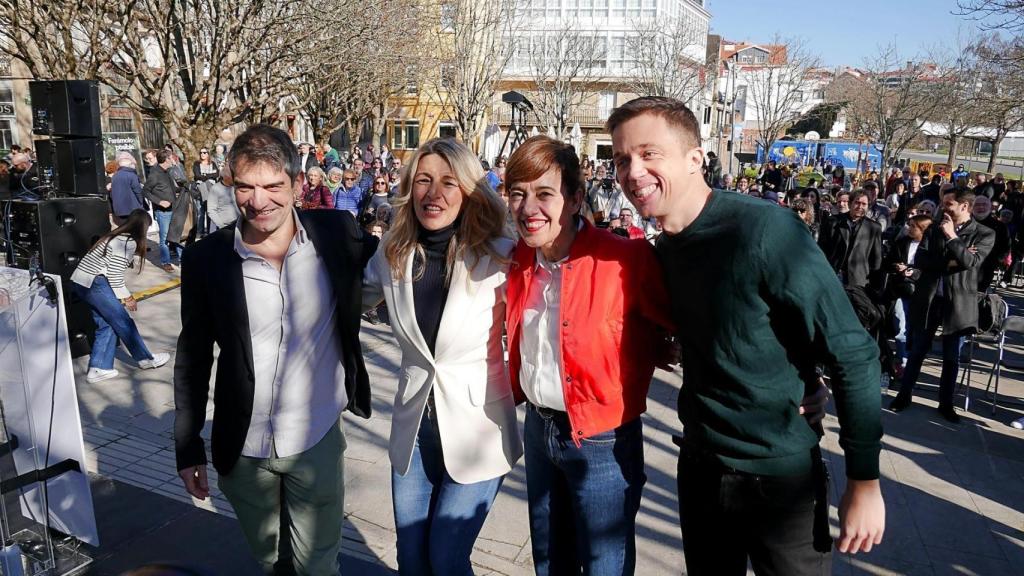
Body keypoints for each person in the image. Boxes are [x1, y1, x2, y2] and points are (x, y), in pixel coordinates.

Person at [608, 96, 885, 575]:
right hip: (700, 469)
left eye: (650, 154)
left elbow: (853, 353)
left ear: (696, 158)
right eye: (621, 159)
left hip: (780, 482)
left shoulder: (764, 230)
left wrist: (864, 481)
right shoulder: (662, 252)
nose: (633, 171)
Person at [174, 124, 376, 574]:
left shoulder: (336, 233)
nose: (258, 201)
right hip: (243, 447)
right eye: (246, 186)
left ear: (298, 185)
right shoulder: (208, 257)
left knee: (318, 566)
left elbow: (405, 257)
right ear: (231, 181)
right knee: (269, 561)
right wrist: (187, 446)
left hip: (316, 436)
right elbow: (192, 357)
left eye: (273, 186)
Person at [504, 135, 675, 575]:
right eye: (517, 194)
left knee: (605, 564)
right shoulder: (519, 258)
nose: (528, 208)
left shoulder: (625, 259)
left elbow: (685, 322)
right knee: (548, 557)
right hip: (538, 430)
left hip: (603, 439)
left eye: (544, 194)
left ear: (576, 198)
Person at [361, 138, 521, 575]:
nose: (434, 194)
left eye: (450, 182)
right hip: (414, 427)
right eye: (424, 181)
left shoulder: (501, 255)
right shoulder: (392, 254)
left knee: (446, 559)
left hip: (479, 431)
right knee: (412, 560)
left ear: (470, 191)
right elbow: (352, 298)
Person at [890, 187, 994, 423]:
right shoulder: (934, 227)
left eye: (948, 204)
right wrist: (953, 258)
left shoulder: (984, 233)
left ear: (963, 207)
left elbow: (971, 262)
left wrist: (953, 238)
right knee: (917, 351)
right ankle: (904, 395)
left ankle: (946, 403)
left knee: (951, 357)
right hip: (930, 298)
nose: (943, 208)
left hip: (958, 302)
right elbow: (922, 259)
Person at [71, 209, 170, 383]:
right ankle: (146, 359)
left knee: (107, 323)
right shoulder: (126, 242)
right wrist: (127, 297)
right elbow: (115, 275)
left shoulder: (114, 236)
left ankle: (99, 367)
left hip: (81, 281)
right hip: (96, 283)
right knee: (124, 322)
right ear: (142, 227)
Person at [820, 190, 883, 289]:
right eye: (857, 203)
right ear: (850, 203)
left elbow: (876, 260)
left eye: (864, 204)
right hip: (834, 275)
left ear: (868, 206)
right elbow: (822, 249)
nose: (860, 206)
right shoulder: (832, 222)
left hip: (859, 280)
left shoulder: (874, 228)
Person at [143, 149, 183, 272]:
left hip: (174, 209)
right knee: (164, 238)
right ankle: (166, 262)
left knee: (177, 235)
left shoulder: (168, 172)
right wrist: (159, 202)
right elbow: (145, 191)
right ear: (166, 159)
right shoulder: (155, 174)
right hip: (163, 212)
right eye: (171, 158)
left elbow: (170, 188)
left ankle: (183, 260)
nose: (173, 160)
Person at [973, 194, 1010, 292]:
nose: (981, 207)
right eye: (977, 204)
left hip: (987, 266)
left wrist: (998, 260)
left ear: (990, 208)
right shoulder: (966, 222)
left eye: (984, 204)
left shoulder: (1000, 227)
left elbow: (1005, 246)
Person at [110, 152, 146, 225]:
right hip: (133, 209)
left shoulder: (115, 176)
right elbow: (138, 192)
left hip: (121, 210)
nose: (134, 166)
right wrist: (141, 203)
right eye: (133, 164)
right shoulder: (131, 175)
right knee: (136, 230)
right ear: (130, 164)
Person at [205, 164, 240, 231]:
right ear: (226, 177)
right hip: (224, 227)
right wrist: (221, 226)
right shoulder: (215, 189)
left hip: (238, 224)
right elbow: (211, 210)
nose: (235, 178)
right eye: (232, 176)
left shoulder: (236, 187)